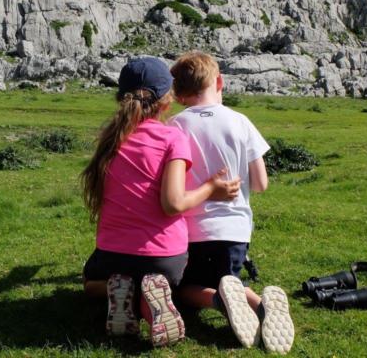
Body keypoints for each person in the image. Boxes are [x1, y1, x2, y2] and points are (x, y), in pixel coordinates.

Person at [80, 57, 241, 347]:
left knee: (90, 284)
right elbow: (173, 203)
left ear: (120, 97)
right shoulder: (172, 138)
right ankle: (148, 304)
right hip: (164, 258)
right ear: (167, 100)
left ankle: (123, 294)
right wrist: (211, 188)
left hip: (113, 255)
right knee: (167, 286)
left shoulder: (110, 140)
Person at [168, 51, 295, 354]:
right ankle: (260, 304)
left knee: (185, 289)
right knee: (229, 278)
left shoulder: (175, 125)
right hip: (236, 230)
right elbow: (261, 183)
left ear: (180, 94)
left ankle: (219, 300)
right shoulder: (241, 120)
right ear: (219, 81)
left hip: (194, 231)